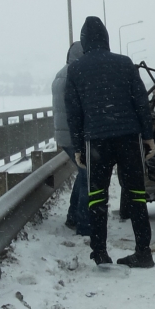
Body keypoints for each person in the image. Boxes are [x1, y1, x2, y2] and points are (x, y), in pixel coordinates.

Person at [64, 16, 155, 268]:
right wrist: (147, 136)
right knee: (136, 194)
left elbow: (74, 114)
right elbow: (140, 102)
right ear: (106, 39)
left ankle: (100, 252)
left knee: (97, 197)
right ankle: (143, 251)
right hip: (128, 137)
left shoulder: (76, 69)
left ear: (84, 42)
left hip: (97, 142)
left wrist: (79, 147)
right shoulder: (125, 63)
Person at [52, 41, 90, 235]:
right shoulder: (75, 74)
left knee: (83, 173)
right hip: (74, 134)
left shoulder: (61, 73)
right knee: (87, 176)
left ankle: (73, 216)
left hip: (63, 134)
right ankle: (83, 224)